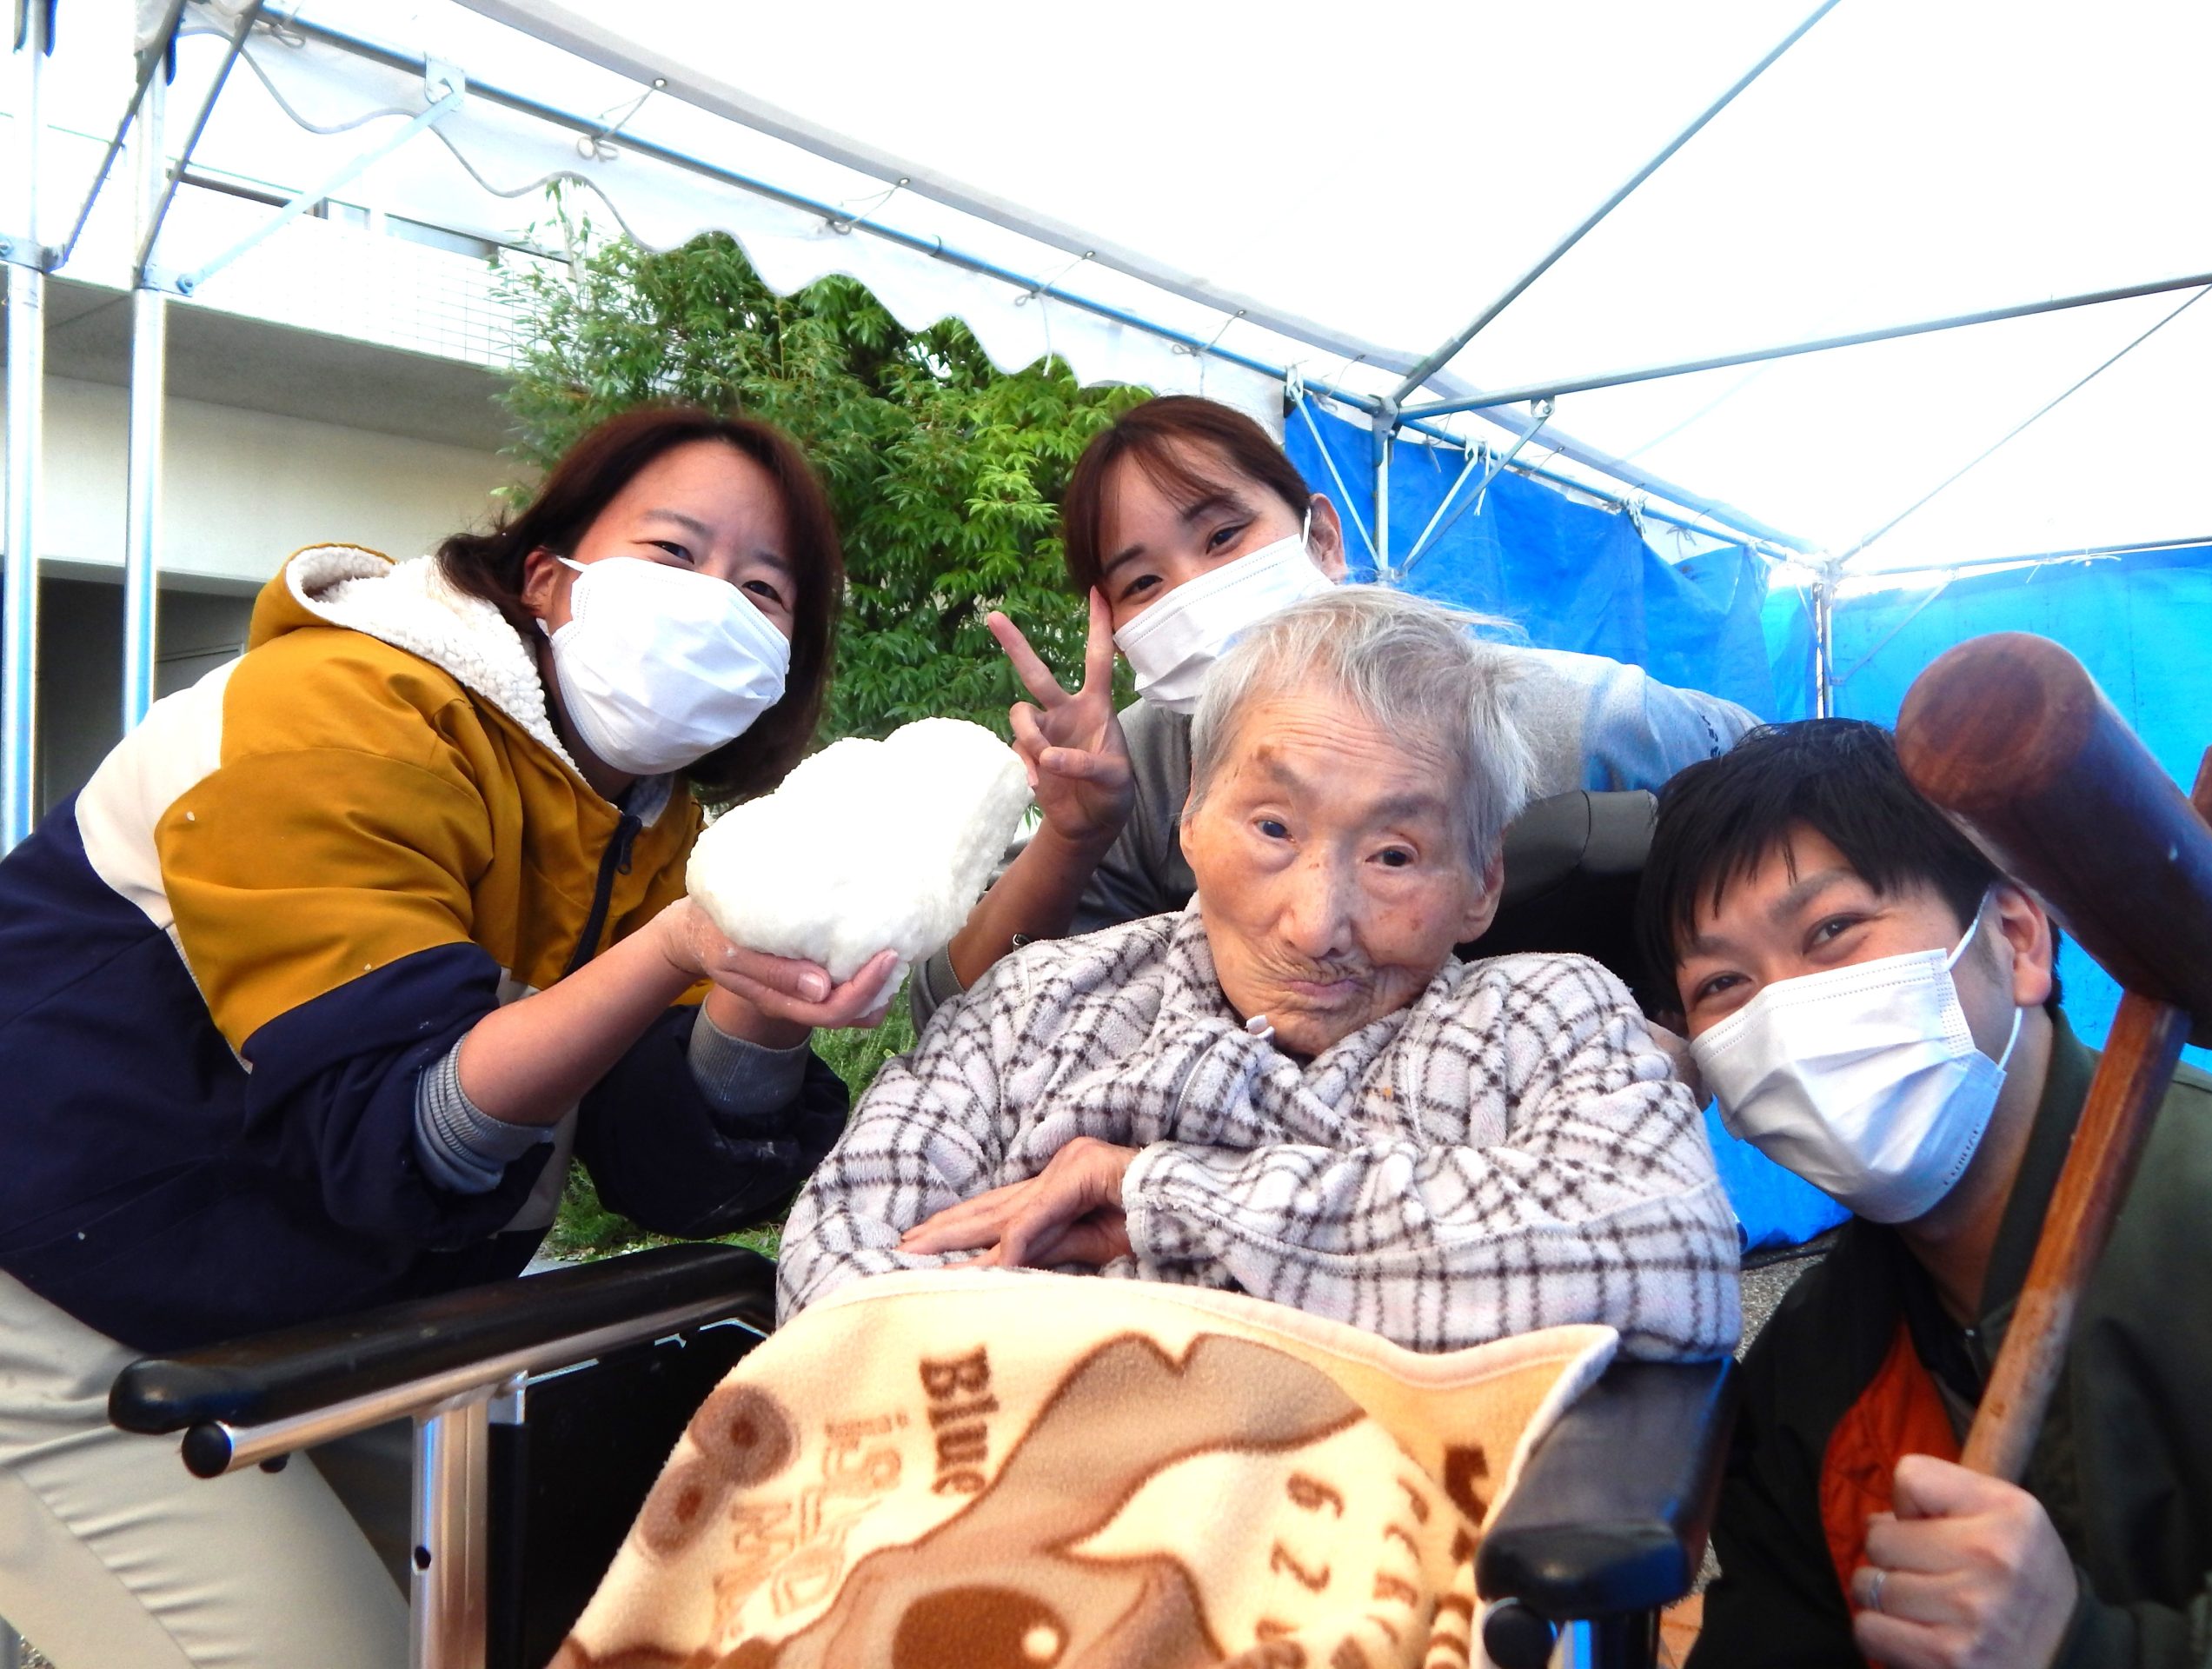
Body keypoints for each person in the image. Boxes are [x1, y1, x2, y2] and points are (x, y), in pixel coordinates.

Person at [0, 406, 898, 1669]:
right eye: (674, 553)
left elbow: (672, 1167)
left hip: (323, 1315)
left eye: (763, 588)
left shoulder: (650, 831)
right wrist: (676, 953)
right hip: (54, 1296)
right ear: (549, 580)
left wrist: (758, 993)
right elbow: (400, 1128)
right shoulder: (332, 713)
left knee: (508, 1628)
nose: (716, 605)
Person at [781, 586, 1741, 1360]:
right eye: (1274, 828)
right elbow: (835, 1273)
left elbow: (1667, 1251)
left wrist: (1161, 1200)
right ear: (1190, 818)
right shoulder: (1033, 1007)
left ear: (1482, 882)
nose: (1319, 923)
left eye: (1396, 855)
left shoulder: (1549, 1016)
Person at [1633, 719, 2212, 1669]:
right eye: (1722, 984)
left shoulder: (2205, 1213)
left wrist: (2081, 1648)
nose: (1781, 1015)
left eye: (1831, 932)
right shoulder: (1808, 1370)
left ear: (2017, 938)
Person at [910, 393, 1758, 1029]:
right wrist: (1073, 833)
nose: (1194, 592)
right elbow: (952, 1013)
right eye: (1143, 583)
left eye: (1222, 538)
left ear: (1321, 537)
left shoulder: (1559, 714)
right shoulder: (1129, 770)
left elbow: (1779, 786)